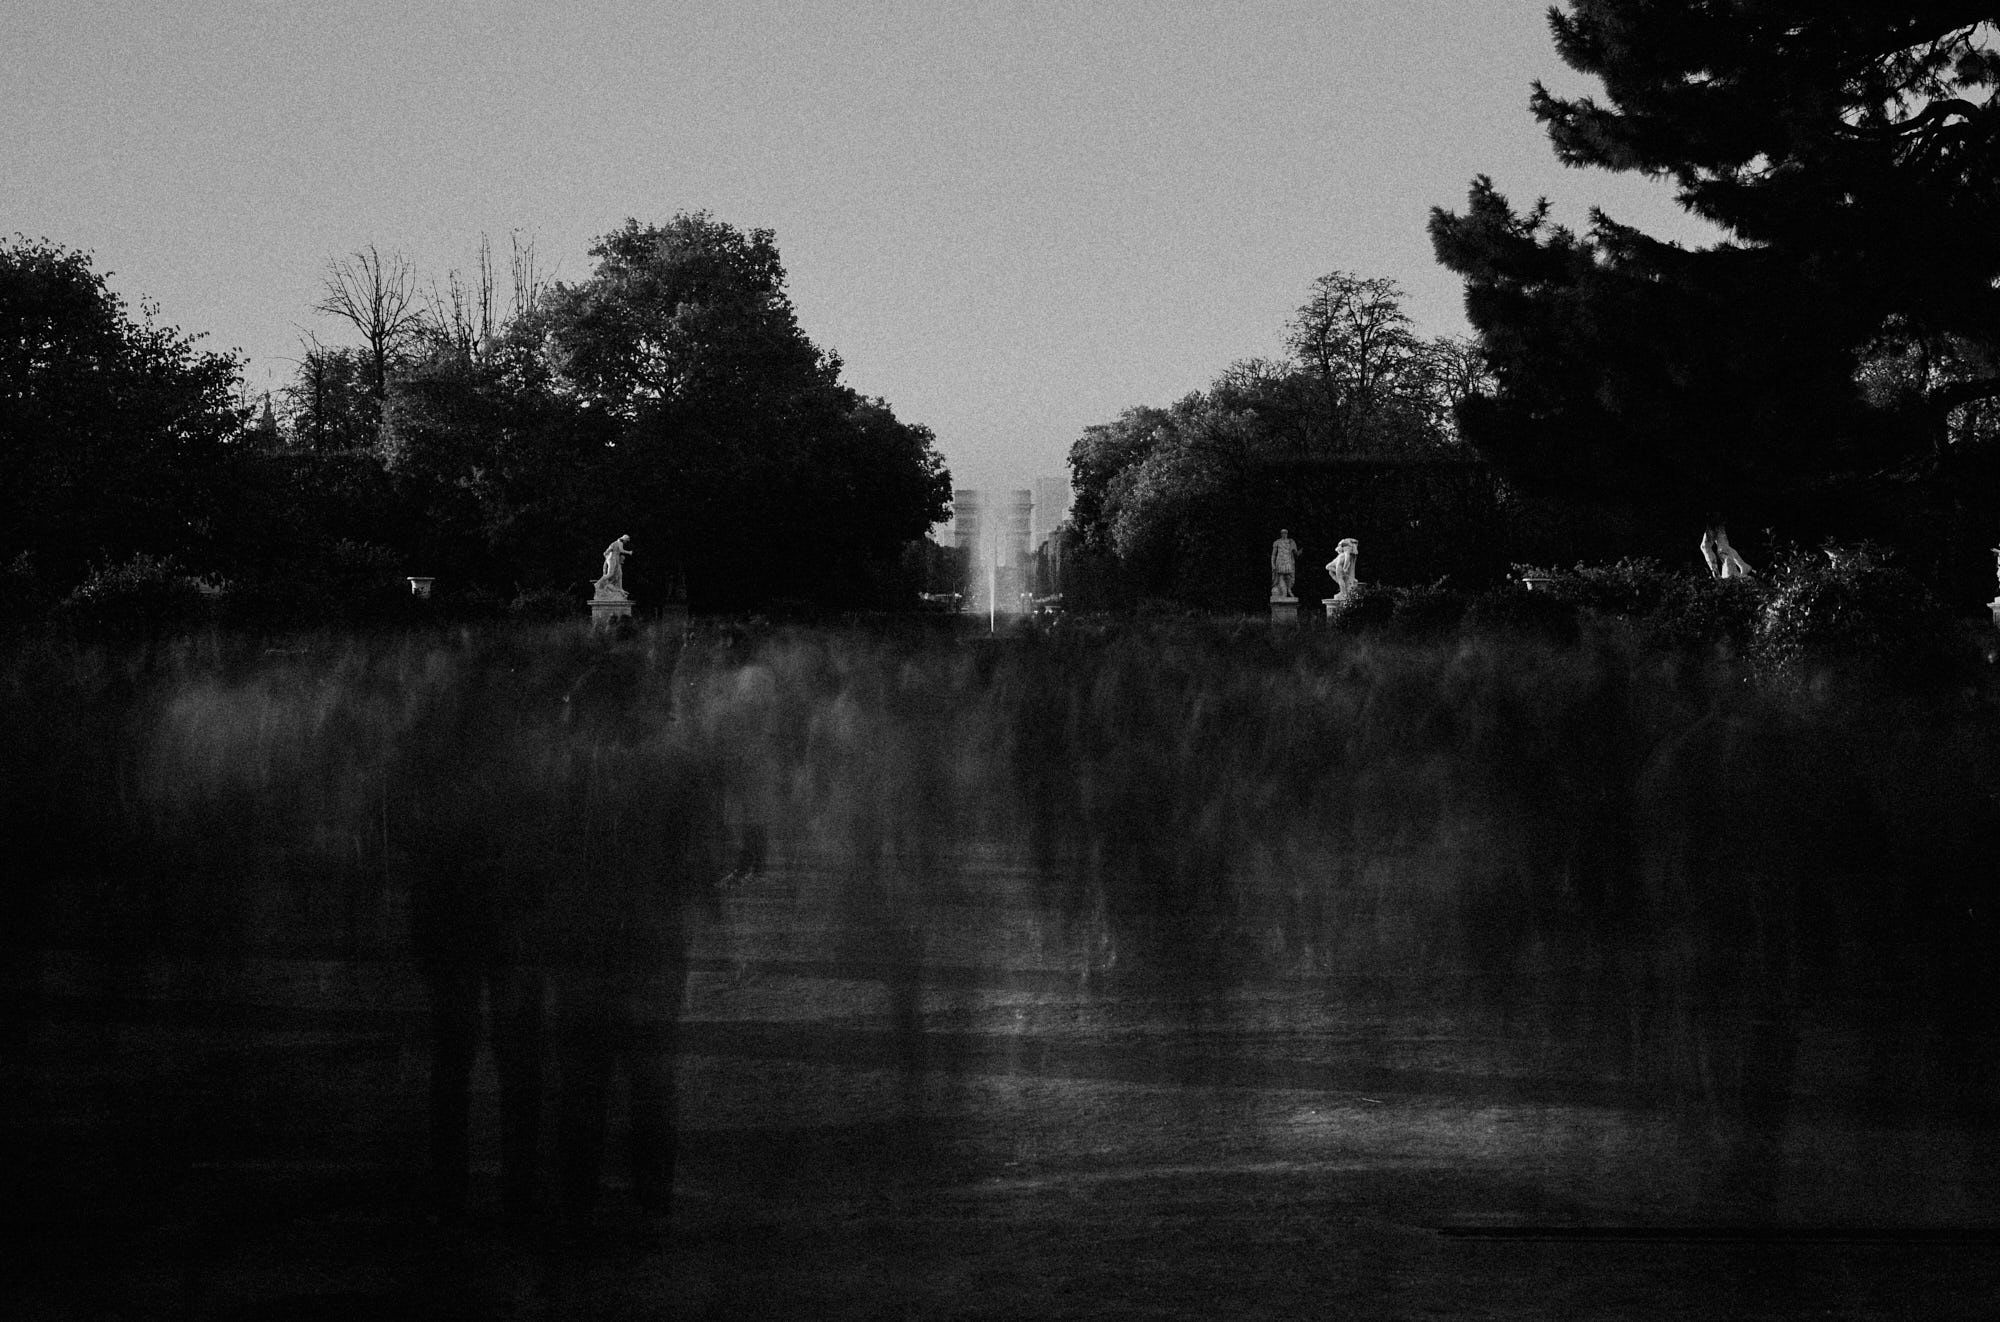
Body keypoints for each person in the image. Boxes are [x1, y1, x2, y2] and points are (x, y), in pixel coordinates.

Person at [1270, 529, 1300, 599]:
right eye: (1283, 533)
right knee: (1281, 576)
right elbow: (1273, 555)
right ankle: (1284, 593)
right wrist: (1273, 564)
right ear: (1281, 534)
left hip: (1288, 561)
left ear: (1287, 534)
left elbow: (1296, 553)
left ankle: (1289, 589)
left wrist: (1299, 552)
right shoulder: (1277, 542)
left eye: (1285, 533)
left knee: (1289, 577)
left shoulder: (1291, 542)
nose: (1284, 534)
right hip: (1280, 561)